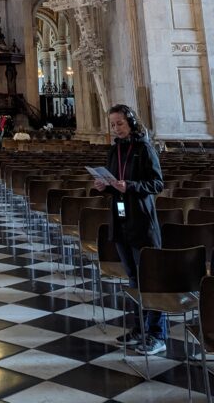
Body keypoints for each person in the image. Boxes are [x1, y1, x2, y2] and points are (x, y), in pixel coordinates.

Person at [93, 103, 166, 355]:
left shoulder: (145, 148)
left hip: (141, 221)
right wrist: (105, 186)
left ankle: (157, 334)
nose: (116, 128)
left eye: (120, 123)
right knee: (134, 279)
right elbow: (115, 181)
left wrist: (131, 186)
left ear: (132, 122)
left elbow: (157, 184)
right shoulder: (114, 151)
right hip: (120, 218)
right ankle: (139, 329)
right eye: (112, 124)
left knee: (149, 278)